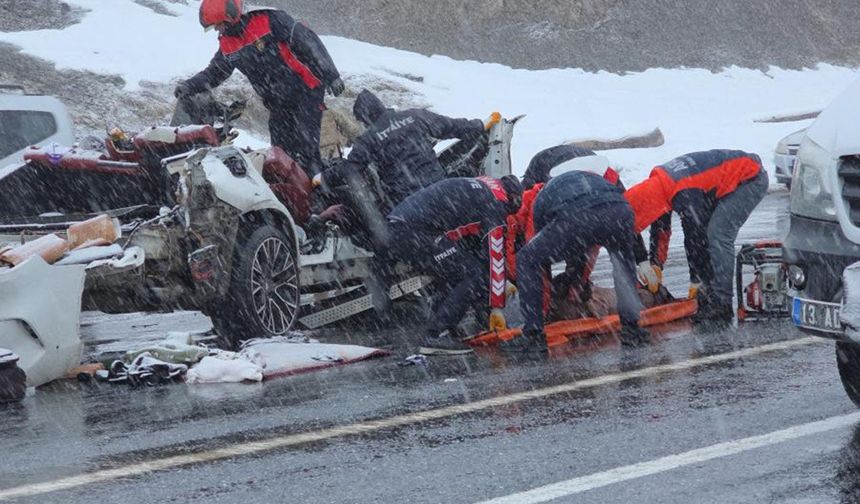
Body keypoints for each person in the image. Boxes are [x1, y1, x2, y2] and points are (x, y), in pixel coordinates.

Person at [175, 0, 344, 177]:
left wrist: (331, 75)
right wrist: (189, 86)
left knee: (307, 147)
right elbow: (216, 72)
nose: (218, 30)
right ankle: (290, 194)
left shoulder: (269, 19)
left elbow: (308, 41)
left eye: (219, 25)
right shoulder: (228, 43)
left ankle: (320, 191)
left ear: (231, 17)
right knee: (280, 152)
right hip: (277, 100)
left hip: (306, 90)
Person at [372, 175, 523, 355]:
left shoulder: (482, 186)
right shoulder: (496, 202)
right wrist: (497, 306)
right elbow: (495, 256)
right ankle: (437, 334)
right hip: (415, 232)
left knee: (454, 271)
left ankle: (441, 324)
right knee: (473, 275)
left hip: (396, 228)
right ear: (514, 198)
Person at [624, 149, 768, 328]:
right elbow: (661, 228)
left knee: (718, 235)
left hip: (750, 178)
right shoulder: (658, 186)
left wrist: (697, 280)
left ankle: (722, 303)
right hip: (721, 181)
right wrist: (655, 264)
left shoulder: (684, 193)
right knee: (708, 234)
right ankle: (711, 291)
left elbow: (695, 238)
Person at [507, 170, 647, 353]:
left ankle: (533, 335)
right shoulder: (578, 179)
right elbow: (581, 247)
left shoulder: (537, 202)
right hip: (620, 209)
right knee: (622, 264)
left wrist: (544, 304)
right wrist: (577, 282)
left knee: (526, 259)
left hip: (578, 215)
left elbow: (542, 264)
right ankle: (632, 328)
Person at [317, 90, 492, 210]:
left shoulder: (369, 139)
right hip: (440, 190)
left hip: (408, 202)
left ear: (364, 118)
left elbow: (350, 169)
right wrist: (480, 125)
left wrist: (322, 178)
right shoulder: (414, 116)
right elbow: (451, 126)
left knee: (381, 241)